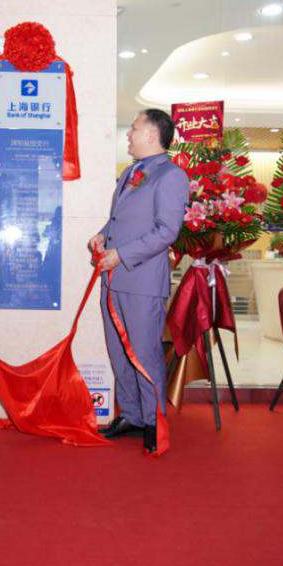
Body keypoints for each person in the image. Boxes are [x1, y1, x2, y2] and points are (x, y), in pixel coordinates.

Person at [88, 109, 189, 453]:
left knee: (144, 354)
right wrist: (103, 235)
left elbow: (166, 231)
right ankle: (131, 414)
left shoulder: (171, 176)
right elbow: (120, 219)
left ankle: (153, 420)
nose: (129, 134)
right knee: (119, 354)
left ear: (151, 134)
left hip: (142, 281)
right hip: (113, 280)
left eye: (133, 128)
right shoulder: (131, 172)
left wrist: (122, 254)